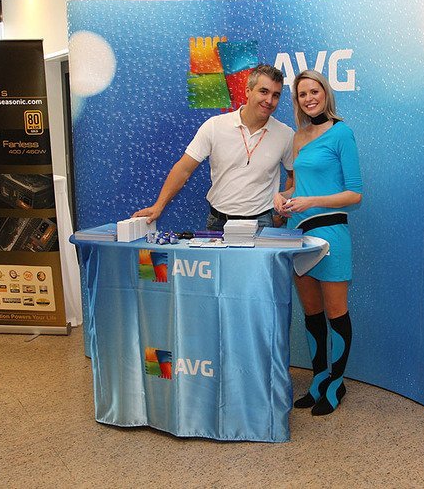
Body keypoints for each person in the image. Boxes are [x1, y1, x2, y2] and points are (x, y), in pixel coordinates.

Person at [273, 70, 362, 416]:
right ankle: (319, 379)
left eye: (314, 91)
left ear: (325, 93)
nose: (309, 98)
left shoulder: (342, 133)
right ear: (297, 101)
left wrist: (311, 201)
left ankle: (337, 384)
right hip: (299, 234)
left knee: (335, 312)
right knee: (311, 313)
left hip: (331, 234)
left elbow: (354, 194)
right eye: (302, 94)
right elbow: (298, 187)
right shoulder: (298, 137)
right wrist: (282, 197)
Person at [133, 64, 293, 231]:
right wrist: (158, 206)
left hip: (261, 222)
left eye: (276, 95)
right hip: (218, 222)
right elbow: (184, 169)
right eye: (263, 92)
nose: (269, 100)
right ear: (248, 91)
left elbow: (294, 176)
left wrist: (282, 212)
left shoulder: (285, 134)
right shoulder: (215, 126)